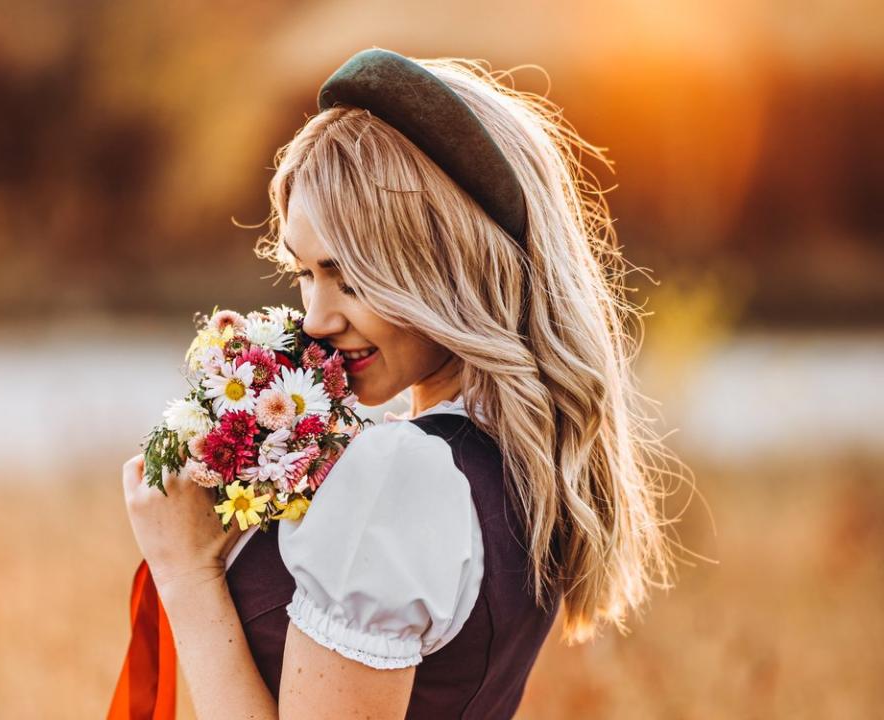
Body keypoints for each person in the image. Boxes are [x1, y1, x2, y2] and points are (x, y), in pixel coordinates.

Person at [121, 47, 680, 719]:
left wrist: (187, 570)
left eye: (353, 277)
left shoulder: (399, 476)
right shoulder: (508, 462)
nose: (318, 319)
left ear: (449, 268)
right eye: (305, 273)